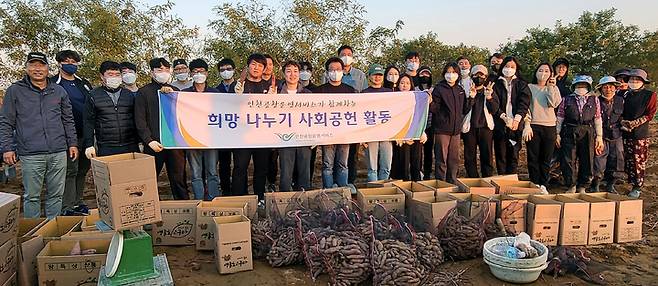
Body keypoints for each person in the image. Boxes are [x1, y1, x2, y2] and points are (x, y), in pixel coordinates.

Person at [0, 52, 78, 218]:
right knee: (32, 197)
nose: (37, 69)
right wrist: (7, 148)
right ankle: (33, 235)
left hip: (58, 151)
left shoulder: (58, 91)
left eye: (41, 65)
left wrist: (72, 143)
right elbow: (6, 121)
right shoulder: (15, 91)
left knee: (56, 195)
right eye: (33, 65)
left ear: (47, 68)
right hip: (31, 154)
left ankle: (51, 229)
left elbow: (68, 120)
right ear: (27, 67)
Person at [135, 57, 189, 200]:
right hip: (153, 144)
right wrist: (148, 140)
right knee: (149, 180)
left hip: (174, 144)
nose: (163, 72)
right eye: (159, 70)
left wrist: (172, 95)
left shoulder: (175, 91)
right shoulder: (143, 92)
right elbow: (140, 120)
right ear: (152, 72)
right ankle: (147, 209)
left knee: (179, 179)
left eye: (166, 69)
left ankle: (184, 207)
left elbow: (184, 116)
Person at [51, 50, 92, 216]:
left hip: (85, 134)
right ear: (60, 63)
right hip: (66, 135)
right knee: (70, 171)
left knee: (82, 170)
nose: (71, 64)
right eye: (67, 61)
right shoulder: (53, 83)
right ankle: (66, 206)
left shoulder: (84, 83)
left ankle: (78, 202)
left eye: (74, 62)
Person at [232, 53, 276, 200]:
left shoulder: (268, 87)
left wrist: (272, 100)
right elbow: (227, 107)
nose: (256, 68)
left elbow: (274, 111)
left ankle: (259, 198)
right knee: (240, 168)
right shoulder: (239, 85)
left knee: (261, 169)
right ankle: (239, 199)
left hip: (262, 136)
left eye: (260, 65)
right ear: (248, 66)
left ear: (264, 69)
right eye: (253, 64)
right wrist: (235, 96)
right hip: (241, 136)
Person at [556, 75, 604, 193]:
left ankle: (583, 185)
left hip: (587, 130)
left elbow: (598, 119)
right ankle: (571, 185)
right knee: (568, 159)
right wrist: (557, 133)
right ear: (574, 86)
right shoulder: (566, 99)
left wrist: (599, 136)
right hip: (569, 130)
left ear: (588, 87)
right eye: (578, 85)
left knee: (587, 158)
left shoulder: (594, 100)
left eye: (583, 85)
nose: (581, 87)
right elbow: (560, 117)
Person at [83, 60, 140, 159]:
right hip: (107, 146)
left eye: (117, 74)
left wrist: (140, 141)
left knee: (132, 173)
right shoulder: (93, 95)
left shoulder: (128, 94)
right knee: (110, 173)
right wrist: (89, 144)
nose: (114, 77)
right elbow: (88, 121)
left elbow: (137, 119)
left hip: (130, 144)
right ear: (102, 76)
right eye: (110, 74)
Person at [430, 62, 476, 183]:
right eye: (448, 72)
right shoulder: (439, 89)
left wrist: (471, 98)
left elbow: (464, 109)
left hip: (456, 131)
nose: (451, 75)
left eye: (454, 72)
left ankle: (452, 181)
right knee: (442, 158)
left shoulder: (459, 89)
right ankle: (440, 182)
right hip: (442, 130)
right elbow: (434, 109)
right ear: (444, 74)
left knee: (454, 158)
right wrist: (430, 102)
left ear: (458, 74)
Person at [314, 57, 356, 188]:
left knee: (343, 165)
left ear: (343, 71)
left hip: (345, 134)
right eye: (331, 70)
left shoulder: (350, 90)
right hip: (327, 135)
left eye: (338, 69)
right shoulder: (319, 90)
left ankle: (343, 192)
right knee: (327, 165)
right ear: (327, 73)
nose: (335, 72)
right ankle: (328, 192)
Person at [183, 59, 220, 200]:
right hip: (190, 139)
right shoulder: (184, 94)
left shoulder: (215, 93)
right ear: (191, 74)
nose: (199, 74)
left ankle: (213, 200)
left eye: (201, 71)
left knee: (212, 171)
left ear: (207, 73)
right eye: (195, 72)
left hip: (211, 139)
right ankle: (199, 202)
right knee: (196, 173)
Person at [522, 63, 561, 194]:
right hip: (533, 126)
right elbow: (525, 107)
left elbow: (554, 103)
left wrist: (551, 87)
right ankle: (534, 183)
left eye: (546, 71)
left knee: (546, 158)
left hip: (549, 126)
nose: (543, 73)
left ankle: (543, 184)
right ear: (536, 72)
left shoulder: (554, 88)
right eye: (540, 70)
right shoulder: (529, 87)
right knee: (533, 158)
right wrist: (527, 124)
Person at [621, 68, 657, 198]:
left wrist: (636, 123)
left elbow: (650, 114)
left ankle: (637, 185)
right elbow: (619, 111)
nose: (634, 81)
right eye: (631, 79)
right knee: (626, 158)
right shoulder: (623, 94)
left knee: (638, 160)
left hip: (640, 133)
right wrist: (623, 122)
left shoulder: (650, 95)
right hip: (624, 131)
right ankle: (627, 181)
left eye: (637, 79)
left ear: (643, 82)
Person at [277, 60, 313, 191]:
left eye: (295, 71)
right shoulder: (276, 94)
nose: (292, 74)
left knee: (304, 173)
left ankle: (304, 204)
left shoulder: (308, 94)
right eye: (288, 71)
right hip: (284, 139)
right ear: (284, 74)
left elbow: (314, 116)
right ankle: (284, 203)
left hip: (304, 138)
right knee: (286, 173)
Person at [492, 56, 531, 175]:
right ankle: (502, 182)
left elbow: (524, 103)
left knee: (514, 155)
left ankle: (511, 182)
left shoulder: (521, 84)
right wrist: (503, 117)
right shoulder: (495, 83)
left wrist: (517, 120)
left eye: (512, 67)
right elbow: (493, 103)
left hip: (516, 124)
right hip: (500, 124)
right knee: (501, 155)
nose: (509, 69)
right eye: (507, 66)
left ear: (516, 68)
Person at [462, 65, 498, 179]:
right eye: (476, 74)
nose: (478, 77)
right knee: (469, 156)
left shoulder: (489, 91)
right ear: (471, 76)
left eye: (481, 74)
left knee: (487, 155)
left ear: (486, 77)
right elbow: (464, 109)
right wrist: (471, 97)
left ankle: (487, 179)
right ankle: (473, 179)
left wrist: (489, 98)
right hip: (470, 128)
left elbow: (494, 109)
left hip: (485, 128)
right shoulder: (466, 91)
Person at [390, 74, 428, 181]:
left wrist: (422, 132)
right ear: (398, 85)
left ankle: (417, 185)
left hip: (415, 134)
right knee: (403, 164)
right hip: (400, 137)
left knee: (416, 162)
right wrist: (400, 135)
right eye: (402, 83)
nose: (404, 86)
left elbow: (420, 115)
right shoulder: (393, 99)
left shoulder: (417, 98)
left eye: (407, 83)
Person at [591, 76, 624, 193]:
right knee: (599, 161)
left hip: (617, 134)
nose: (608, 89)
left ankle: (611, 184)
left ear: (615, 88)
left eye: (611, 87)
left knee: (616, 160)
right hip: (601, 135)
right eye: (605, 87)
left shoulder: (621, 100)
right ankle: (595, 184)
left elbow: (622, 117)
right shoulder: (595, 101)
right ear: (601, 89)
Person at [362, 64, 394, 182]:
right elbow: (360, 115)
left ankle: (383, 191)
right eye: (374, 75)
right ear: (369, 76)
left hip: (387, 135)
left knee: (386, 166)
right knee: (372, 168)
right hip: (370, 135)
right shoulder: (363, 93)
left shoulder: (390, 92)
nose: (377, 77)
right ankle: (374, 191)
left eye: (380, 75)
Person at [215, 58, 236, 194]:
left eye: (228, 69)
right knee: (224, 164)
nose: (226, 72)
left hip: (240, 132)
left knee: (240, 164)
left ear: (234, 70)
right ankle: (225, 190)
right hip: (222, 133)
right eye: (222, 70)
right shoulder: (215, 90)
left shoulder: (242, 87)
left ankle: (240, 189)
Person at [417, 65, 434, 179]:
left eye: (427, 74)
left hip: (431, 124)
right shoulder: (414, 89)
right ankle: (418, 172)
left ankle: (427, 173)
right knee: (418, 152)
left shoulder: (434, 89)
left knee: (428, 151)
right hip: (417, 125)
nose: (425, 76)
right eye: (422, 74)